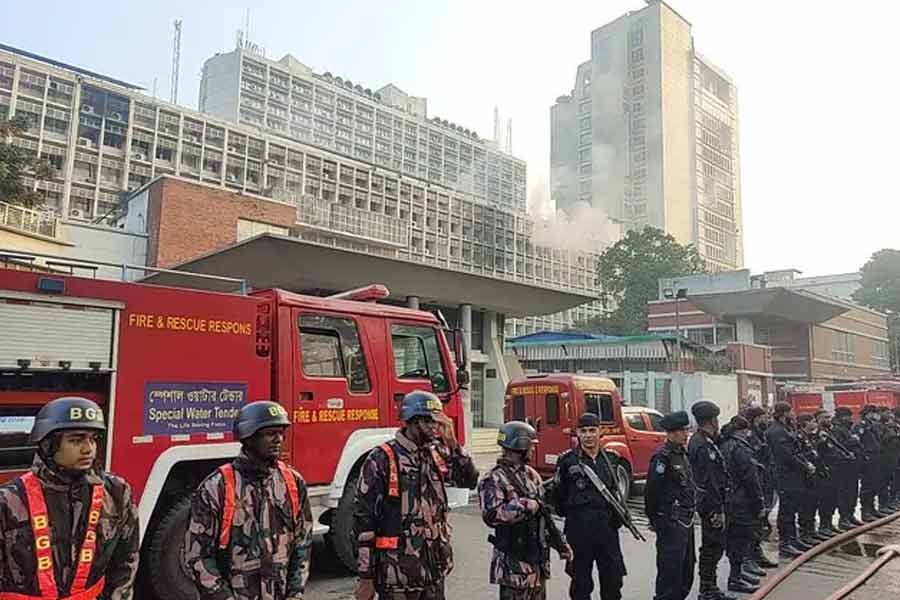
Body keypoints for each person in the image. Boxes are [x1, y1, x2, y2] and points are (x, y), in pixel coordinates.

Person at [0, 396, 139, 600]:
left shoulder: (116, 492)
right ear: (48, 445)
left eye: (93, 438)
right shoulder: (9, 501)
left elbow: (126, 561)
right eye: (76, 440)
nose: (88, 448)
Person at [354, 391, 479, 600]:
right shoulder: (382, 459)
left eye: (437, 421)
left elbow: (469, 480)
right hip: (398, 576)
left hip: (433, 572)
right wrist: (365, 578)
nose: (434, 427)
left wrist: (454, 444)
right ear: (411, 421)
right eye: (428, 421)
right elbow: (363, 522)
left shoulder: (437, 453)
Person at [185, 400, 313, 600]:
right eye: (270, 433)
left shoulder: (293, 483)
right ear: (249, 437)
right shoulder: (217, 487)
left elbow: (302, 546)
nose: (278, 439)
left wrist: (295, 594)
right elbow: (197, 556)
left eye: (281, 433)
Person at [479, 421, 572, 600]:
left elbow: (543, 515)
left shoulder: (530, 475)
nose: (533, 450)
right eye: (531, 446)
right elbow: (491, 515)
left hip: (536, 564)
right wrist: (525, 505)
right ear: (520, 446)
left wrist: (559, 543)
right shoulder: (494, 479)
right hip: (513, 568)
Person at [552, 413, 626, 600]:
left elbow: (616, 492)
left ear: (600, 432)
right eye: (583, 431)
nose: (588, 435)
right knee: (580, 583)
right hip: (579, 531)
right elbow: (558, 499)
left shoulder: (612, 459)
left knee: (613, 580)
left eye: (592, 430)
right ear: (577, 433)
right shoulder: (567, 461)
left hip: (607, 530)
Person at [688, 401, 743, 599]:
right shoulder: (703, 445)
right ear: (712, 420)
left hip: (709, 502)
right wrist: (717, 510)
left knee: (713, 544)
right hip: (710, 504)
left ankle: (709, 585)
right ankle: (707, 588)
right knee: (712, 545)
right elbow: (709, 481)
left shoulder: (703, 440)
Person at [645, 411, 697, 600]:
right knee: (670, 570)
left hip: (686, 520)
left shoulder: (682, 453)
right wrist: (654, 518)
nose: (686, 434)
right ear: (672, 433)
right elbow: (652, 491)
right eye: (683, 431)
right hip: (670, 522)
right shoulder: (662, 457)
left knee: (687, 568)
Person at [719, 416, 766, 594]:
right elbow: (750, 479)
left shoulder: (725, 445)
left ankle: (738, 575)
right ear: (744, 431)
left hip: (731, 499)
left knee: (735, 539)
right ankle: (735, 577)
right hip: (741, 501)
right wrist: (759, 502)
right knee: (740, 539)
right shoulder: (740, 449)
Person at [766, 401, 815, 558]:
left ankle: (793, 539)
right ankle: (785, 543)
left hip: (793, 475)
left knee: (792, 508)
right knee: (786, 510)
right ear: (783, 414)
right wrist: (805, 466)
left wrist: (806, 463)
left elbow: (796, 450)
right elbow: (787, 455)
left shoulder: (786, 429)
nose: (793, 415)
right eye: (790, 412)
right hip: (785, 475)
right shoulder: (776, 431)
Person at [741, 406, 777, 569]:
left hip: (764, 478)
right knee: (753, 520)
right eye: (763, 417)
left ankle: (756, 552)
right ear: (756, 418)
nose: (766, 419)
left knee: (761, 518)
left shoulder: (760, 432)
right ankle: (749, 557)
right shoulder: (749, 434)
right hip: (754, 480)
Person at [814, 410, 847, 536]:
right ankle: (823, 526)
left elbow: (835, 448)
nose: (829, 419)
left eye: (829, 417)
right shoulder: (816, 433)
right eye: (825, 417)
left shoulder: (829, 432)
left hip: (835, 469)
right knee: (826, 499)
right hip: (825, 470)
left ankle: (828, 523)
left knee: (833, 498)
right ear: (818, 419)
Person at [795, 414, 826, 546]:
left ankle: (811, 531)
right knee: (806, 505)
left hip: (814, 474)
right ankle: (805, 533)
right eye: (812, 421)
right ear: (805, 423)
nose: (815, 423)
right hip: (806, 475)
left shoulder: (809, 436)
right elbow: (799, 454)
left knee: (813, 503)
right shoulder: (799, 436)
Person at [831, 406, 863, 530]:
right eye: (847, 416)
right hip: (844, 467)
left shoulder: (848, 429)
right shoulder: (837, 430)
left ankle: (850, 515)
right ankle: (843, 518)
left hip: (853, 467)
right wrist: (853, 440)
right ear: (841, 417)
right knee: (845, 493)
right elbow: (839, 447)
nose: (850, 418)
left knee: (853, 492)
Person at [854, 405, 883, 522]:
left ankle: (871, 508)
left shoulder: (872, 425)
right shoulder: (860, 425)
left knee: (874, 484)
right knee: (867, 485)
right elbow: (857, 441)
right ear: (867, 413)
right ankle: (865, 511)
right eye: (873, 413)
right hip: (867, 458)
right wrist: (864, 455)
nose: (875, 415)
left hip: (875, 457)